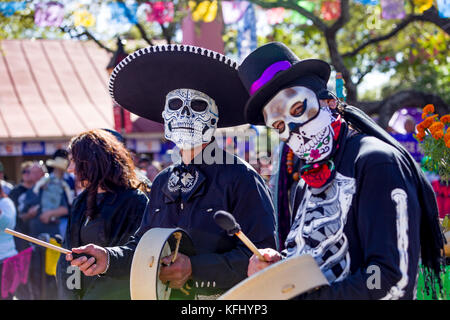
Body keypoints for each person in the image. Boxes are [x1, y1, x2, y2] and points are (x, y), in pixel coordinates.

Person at [67, 44, 277, 298]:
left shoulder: (240, 177)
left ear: (213, 118)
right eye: (175, 105)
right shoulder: (163, 181)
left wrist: (195, 268)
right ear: (165, 117)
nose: (184, 114)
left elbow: (262, 255)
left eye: (198, 106)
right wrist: (108, 257)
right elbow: (144, 249)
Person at [238, 42, 444, 299]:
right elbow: (313, 264)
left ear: (329, 102)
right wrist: (278, 268)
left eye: (298, 110)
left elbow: (390, 276)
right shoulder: (305, 183)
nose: (293, 131)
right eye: (279, 126)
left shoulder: (376, 163)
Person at [56, 129, 149, 300]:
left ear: (93, 162)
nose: (70, 169)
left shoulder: (135, 202)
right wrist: (71, 296)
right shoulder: (81, 202)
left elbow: (130, 260)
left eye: (74, 161)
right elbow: (67, 258)